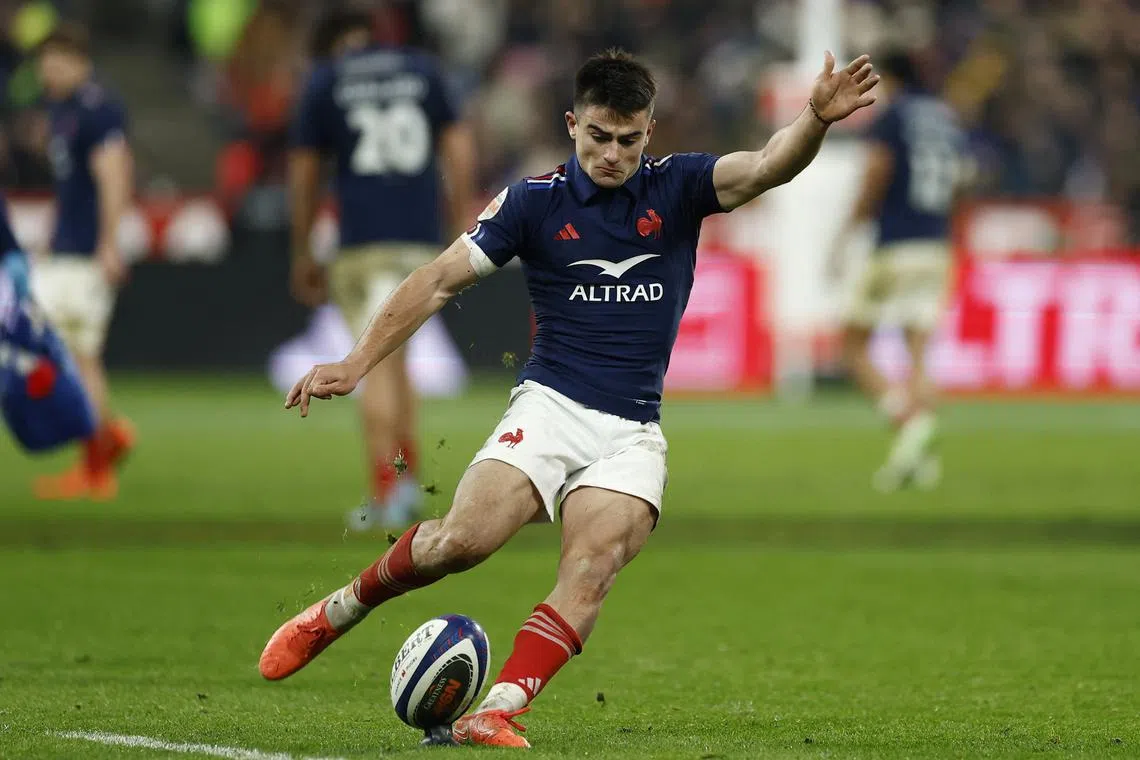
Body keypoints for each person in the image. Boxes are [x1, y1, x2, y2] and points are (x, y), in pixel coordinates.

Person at [261, 48, 879, 748]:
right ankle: (341, 609)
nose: (612, 154)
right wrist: (355, 363)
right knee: (459, 544)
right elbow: (435, 280)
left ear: (649, 133)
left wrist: (815, 120)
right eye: (598, 137)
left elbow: (767, 165)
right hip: (549, 409)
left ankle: (496, 708)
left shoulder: (678, 187)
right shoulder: (534, 202)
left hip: (631, 431)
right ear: (571, 124)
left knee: (593, 566)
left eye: (628, 139)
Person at [288, 9, 476, 529]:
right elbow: (458, 145)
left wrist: (302, 249)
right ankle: (407, 480)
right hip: (419, 244)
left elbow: (304, 172)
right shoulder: (422, 69)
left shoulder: (326, 79)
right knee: (398, 362)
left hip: (363, 245)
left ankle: (387, 490)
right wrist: (462, 219)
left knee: (368, 368)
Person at [827, 51, 967, 492]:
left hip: (896, 244)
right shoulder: (946, 118)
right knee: (919, 354)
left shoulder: (892, 118)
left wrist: (847, 232)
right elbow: (961, 180)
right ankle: (922, 461)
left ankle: (907, 423)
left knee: (850, 345)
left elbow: (877, 173)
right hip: (937, 242)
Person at [30, 24, 135, 501]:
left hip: (88, 253)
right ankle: (105, 441)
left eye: (57, 62)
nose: (48, 72)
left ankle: (98, 464)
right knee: (69, 355)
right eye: (44, 63)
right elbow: (70, 186)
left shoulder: (97, 109)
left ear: (80, 62)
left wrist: (109, 243)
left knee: (80, 358)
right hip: (68, 249)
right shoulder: (62, 110)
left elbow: (114, 173)